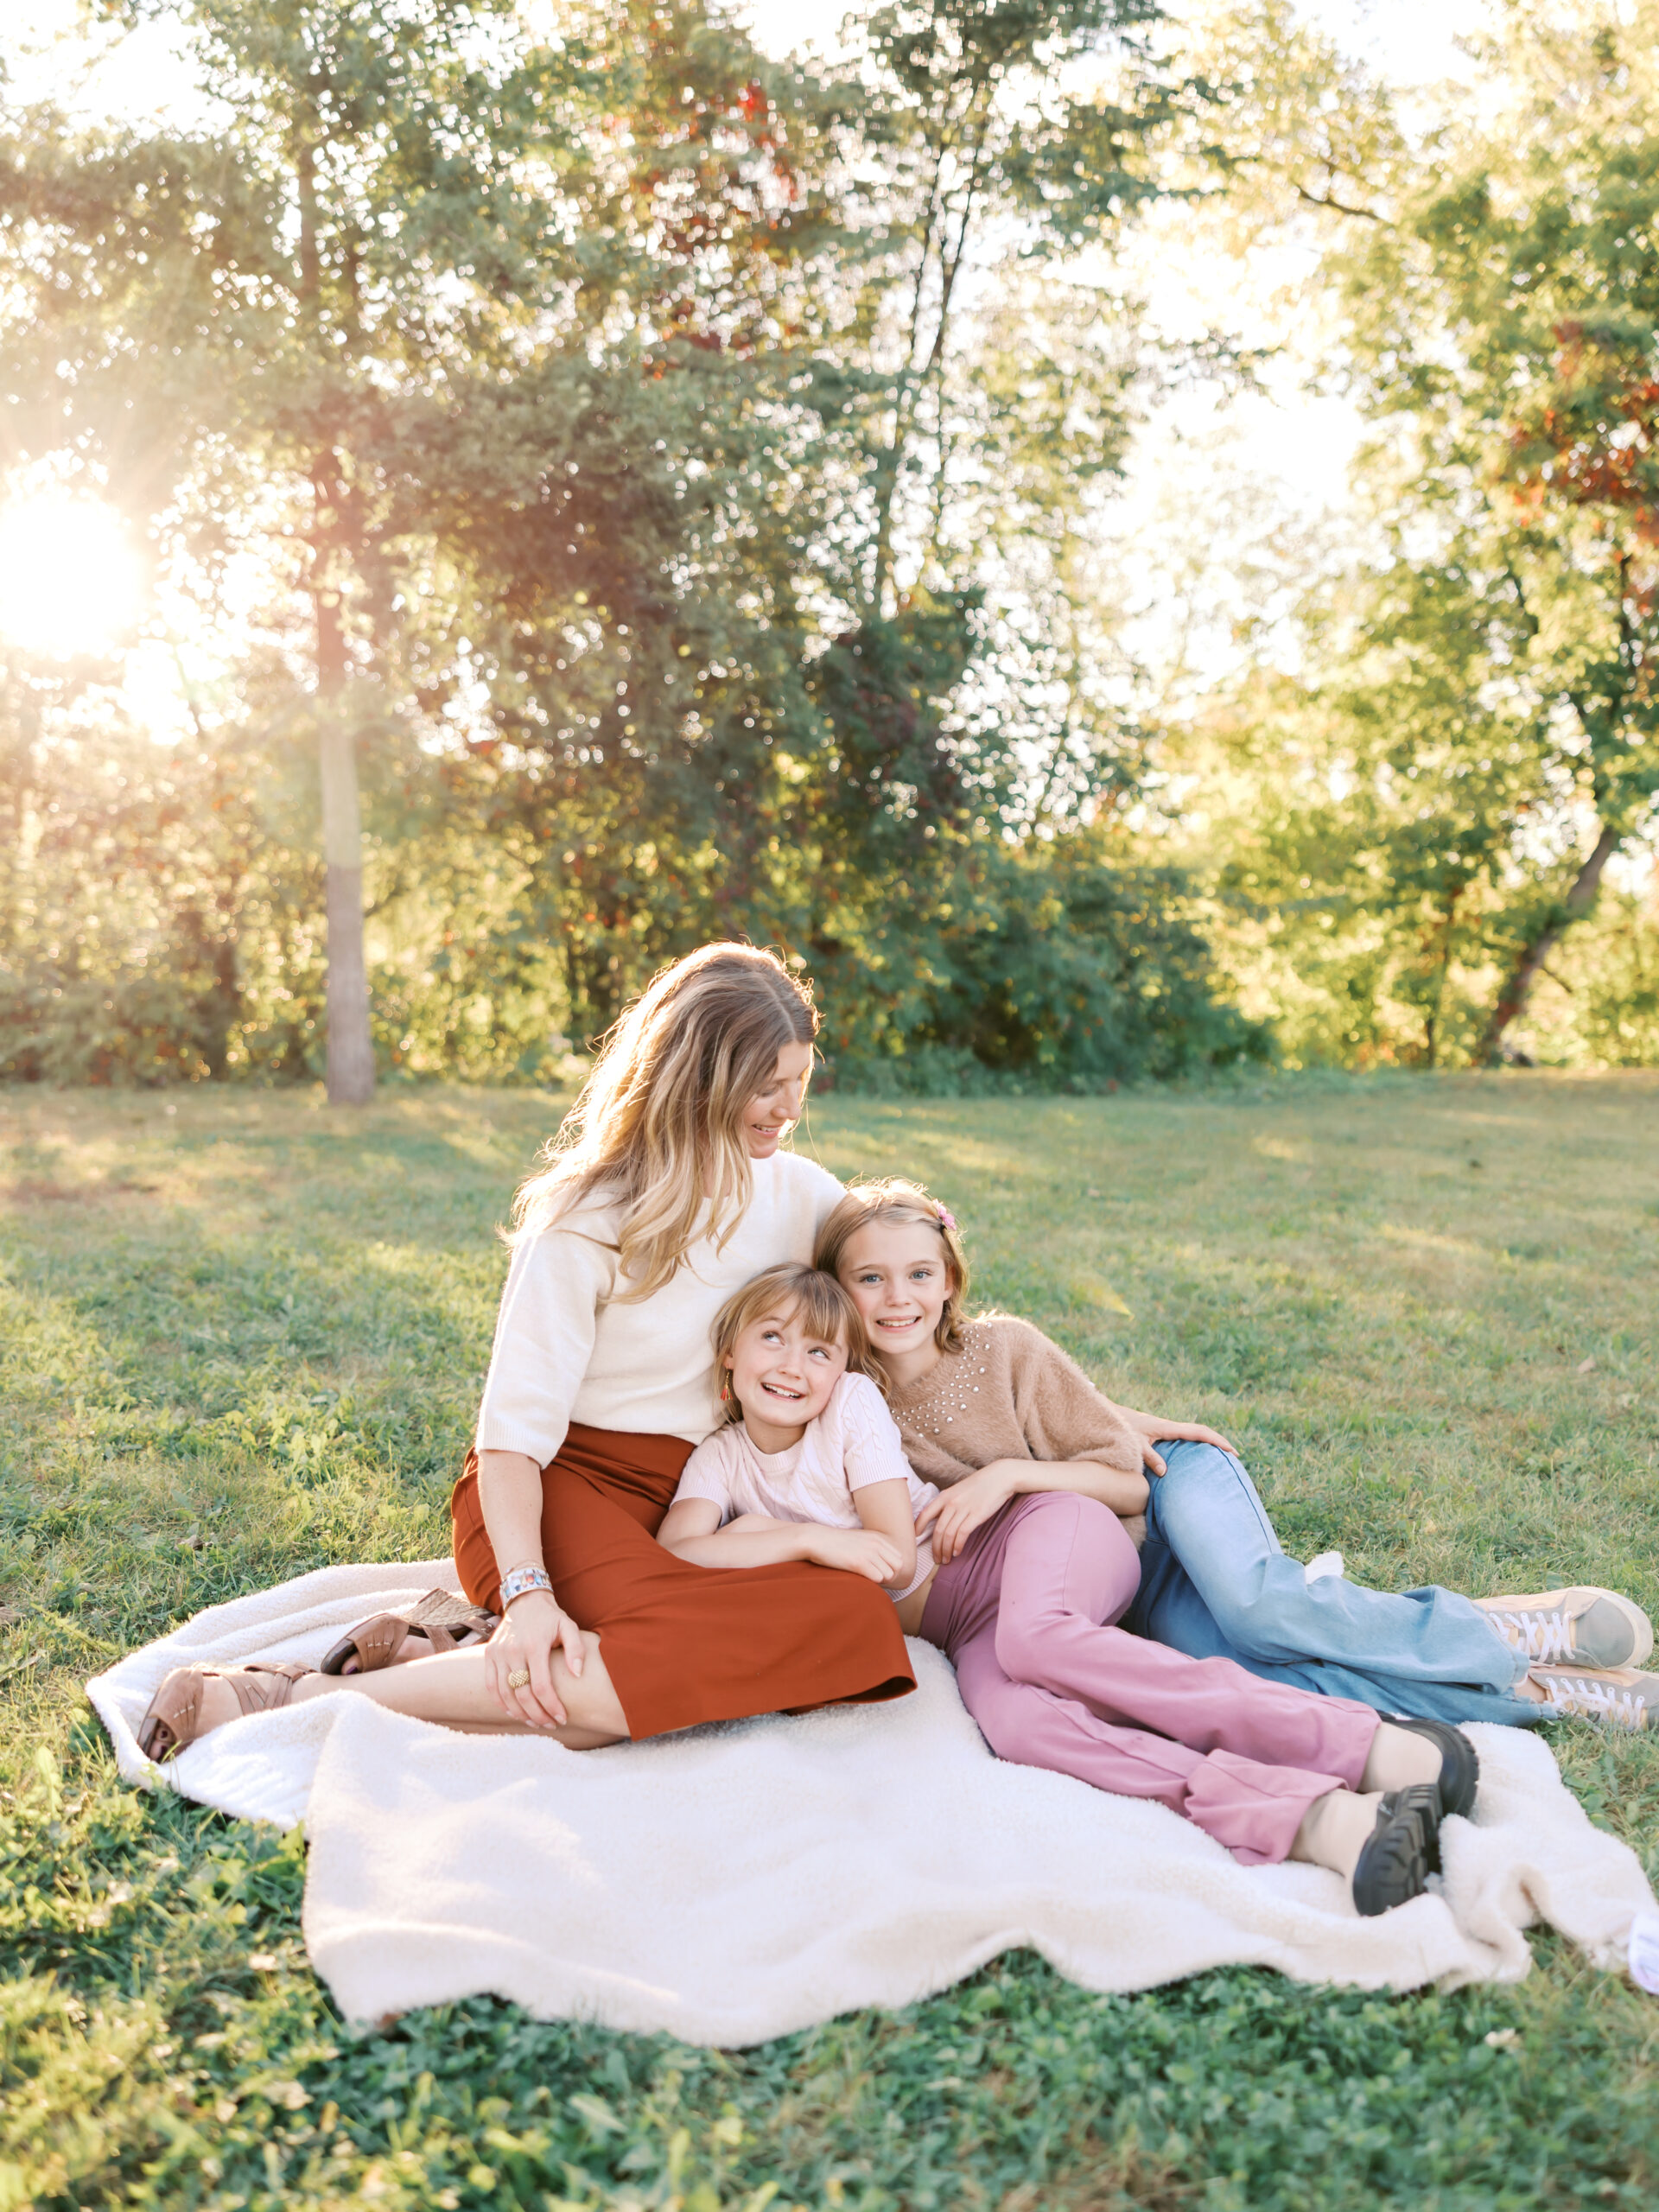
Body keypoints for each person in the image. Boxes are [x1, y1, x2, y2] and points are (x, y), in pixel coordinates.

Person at [136, 944, 915, 1760]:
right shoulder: (586, 1218)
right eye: (767, 1085)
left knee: (853, 1619)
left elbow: (902, 1286)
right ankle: (291, 1694)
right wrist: (530, 1590)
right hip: (553, 1491)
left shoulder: (805, 1197)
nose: (789, 1107)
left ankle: (437, 1650)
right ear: (699, 1079)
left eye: (800, 1080)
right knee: (612, 1674)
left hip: (695, 1506)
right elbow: (511, 1437)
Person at [685, 1257, 1463, 1913]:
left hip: (1033, 1533)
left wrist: (770, 1540)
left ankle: (1368, 1746)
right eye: (772, 1340)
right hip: (961, 1625)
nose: (792, 1366)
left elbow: (889, 1555)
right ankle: (1324, 1821)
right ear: (730, 1353)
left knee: (1039, 1636)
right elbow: (677, 1552)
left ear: (844, 1364)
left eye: (818, 1350)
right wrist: (782, 1537)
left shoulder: (849, 1406)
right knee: (1018, 1724)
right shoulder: (720, 1460)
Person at [817, 1177, 1657, 1735]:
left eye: (919, 1273)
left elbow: (1121, 1469)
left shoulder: (1005, 1345)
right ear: (836, 1290)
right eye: (872, 1280)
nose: (900, 1299)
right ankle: (1534, 1695)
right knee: (1257, 1671)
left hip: (1166, 1486)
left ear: (951, 1278)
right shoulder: (858, 1410)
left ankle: (1506, 1629)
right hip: (1120, 1577)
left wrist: (1009, 1472)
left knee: (1259, 1606)